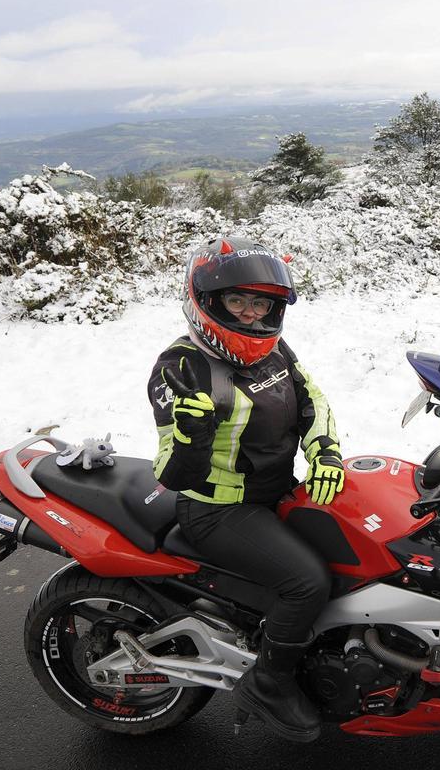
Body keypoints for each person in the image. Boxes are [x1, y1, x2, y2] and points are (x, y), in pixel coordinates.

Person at [147, 237, 344, 743]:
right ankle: (269, 681)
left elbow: (312, 401)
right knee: (307, 582)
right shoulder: (181, 367)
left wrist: (325, 453)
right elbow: (171, 472)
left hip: (276, 493)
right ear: (208, 303)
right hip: (217, 509)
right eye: (237, 302)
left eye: (261, 304)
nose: (252, 316)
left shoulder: (275, 350)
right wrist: (191, 437)